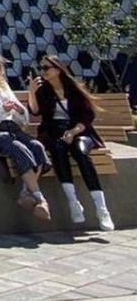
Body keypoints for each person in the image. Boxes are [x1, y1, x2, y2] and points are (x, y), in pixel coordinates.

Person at [28, 55, 115, 231]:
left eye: (46, 68)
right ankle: (73, 202)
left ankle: (101, 208)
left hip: (80, 131)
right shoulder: (43, 90)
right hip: (53, 131)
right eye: (41, 68)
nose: (43, 71)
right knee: (58, 149)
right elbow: (35, 112)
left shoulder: (74, 89)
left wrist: (73, 132)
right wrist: (31, 92)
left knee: (80, 152)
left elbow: (87, 116)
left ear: (58, 70)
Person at [0, 51, 51, 220]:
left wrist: (20, 111)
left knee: (37, 147)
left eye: (0, 65)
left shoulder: (3, 85)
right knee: (19, 149)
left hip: (13, 129)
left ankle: (25, 193)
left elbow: (20, 114)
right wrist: (2, 109)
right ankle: (40, 199)